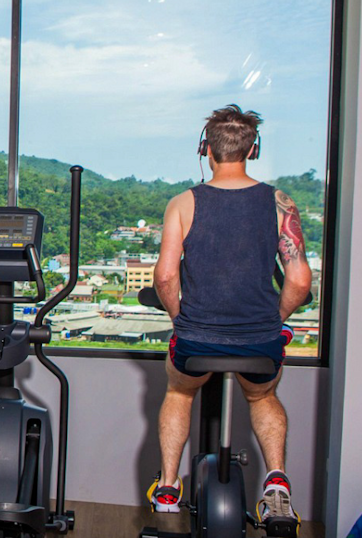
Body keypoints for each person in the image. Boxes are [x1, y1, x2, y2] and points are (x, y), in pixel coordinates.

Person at [147, 105, 312, 522]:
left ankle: (168, 486)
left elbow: (165, 277)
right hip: (260, 339)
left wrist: (179, 319)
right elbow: (299, 281)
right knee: (262, 394)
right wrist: (274, 320)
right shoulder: (280, 203)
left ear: (206, 149)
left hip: (196, 337)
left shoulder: (183, 202)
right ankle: (276, 479)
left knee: (180, 392)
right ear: (253, 150)